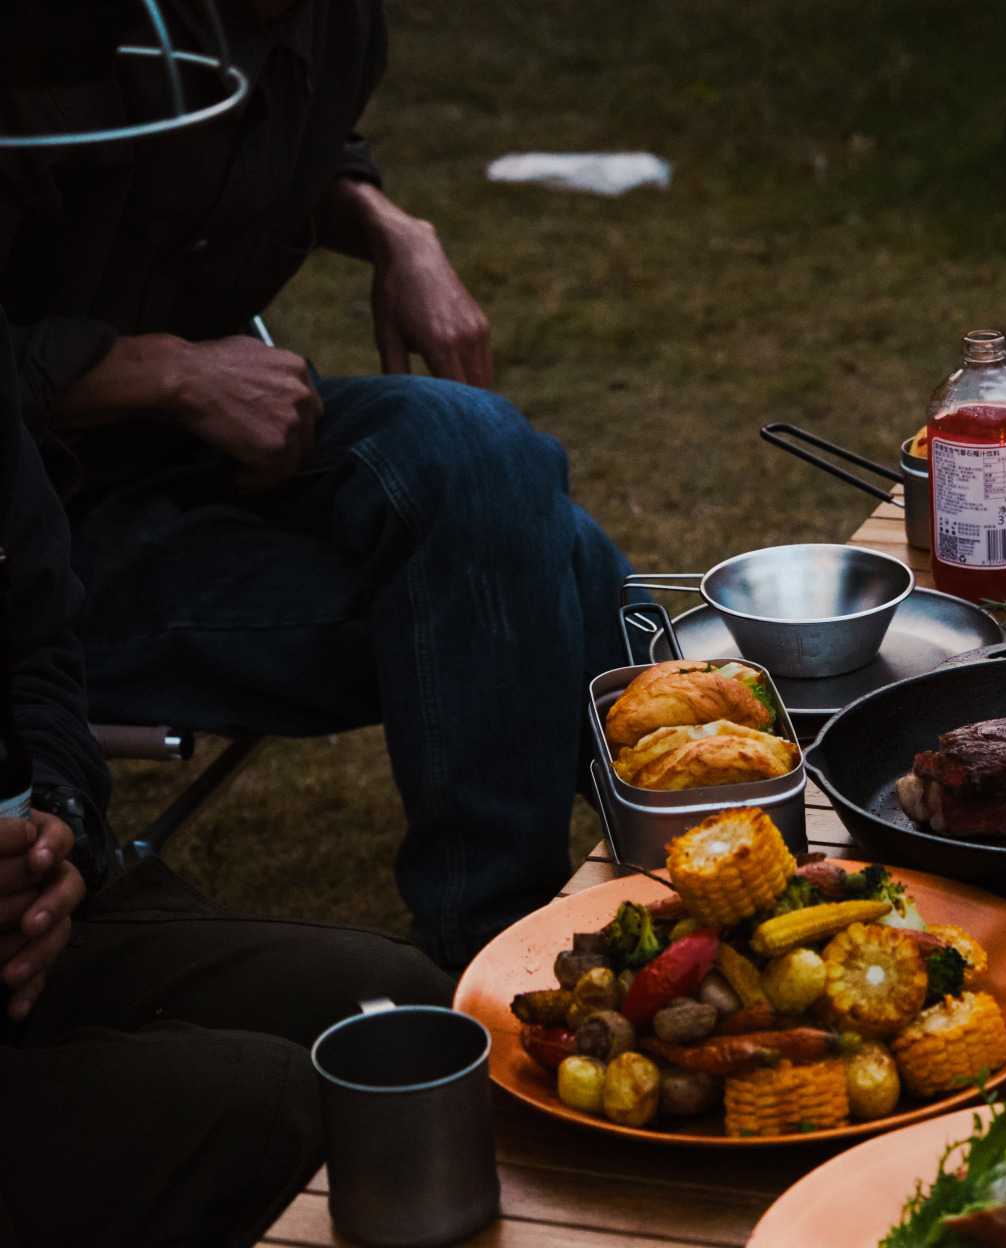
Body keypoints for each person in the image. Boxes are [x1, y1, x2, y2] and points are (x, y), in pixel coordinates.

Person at [0, 0, 643, 966]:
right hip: (45, 538)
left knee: (480, 447)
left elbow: (293, 145)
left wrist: (393, 228)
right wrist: (166, 371)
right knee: (542, 563)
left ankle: (689, 831)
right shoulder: (55, 32)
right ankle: (503, 946)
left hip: (191, 451)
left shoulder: (334, 22)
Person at [0, 327, 458, 1247]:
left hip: (29, 944)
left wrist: (54, 827)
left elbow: (36, 657)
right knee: (263, 1108)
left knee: (400, 1007)